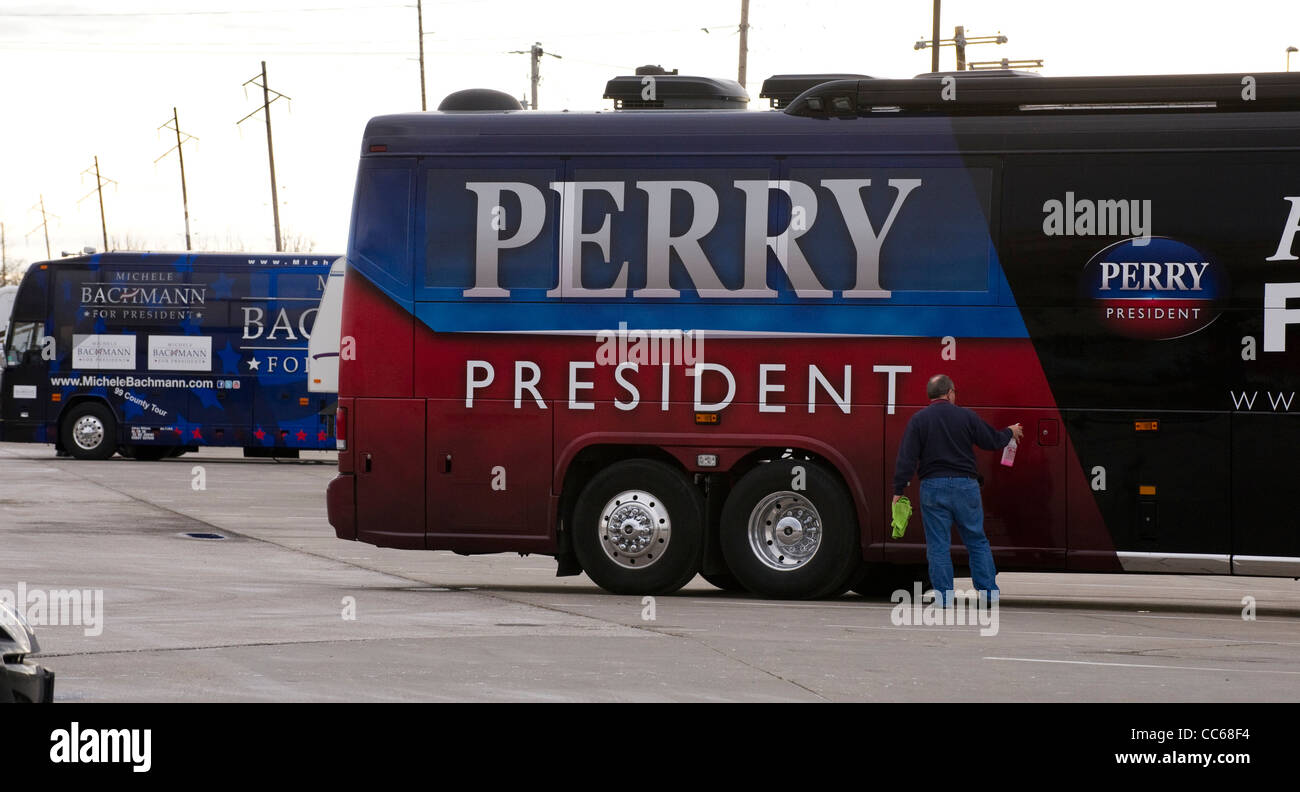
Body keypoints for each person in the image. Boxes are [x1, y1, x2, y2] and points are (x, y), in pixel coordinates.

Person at [892, 374, 1023, 607]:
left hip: (933, 487)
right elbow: (991, 440)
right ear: (950, 392)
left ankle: (944, 596)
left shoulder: (919, 420)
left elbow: (907, 458)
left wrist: (898, 490)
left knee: (938, 544)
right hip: (966, 486)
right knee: (976, 539)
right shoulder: (966, 416)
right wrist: (1010, 432)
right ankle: (988, 593)